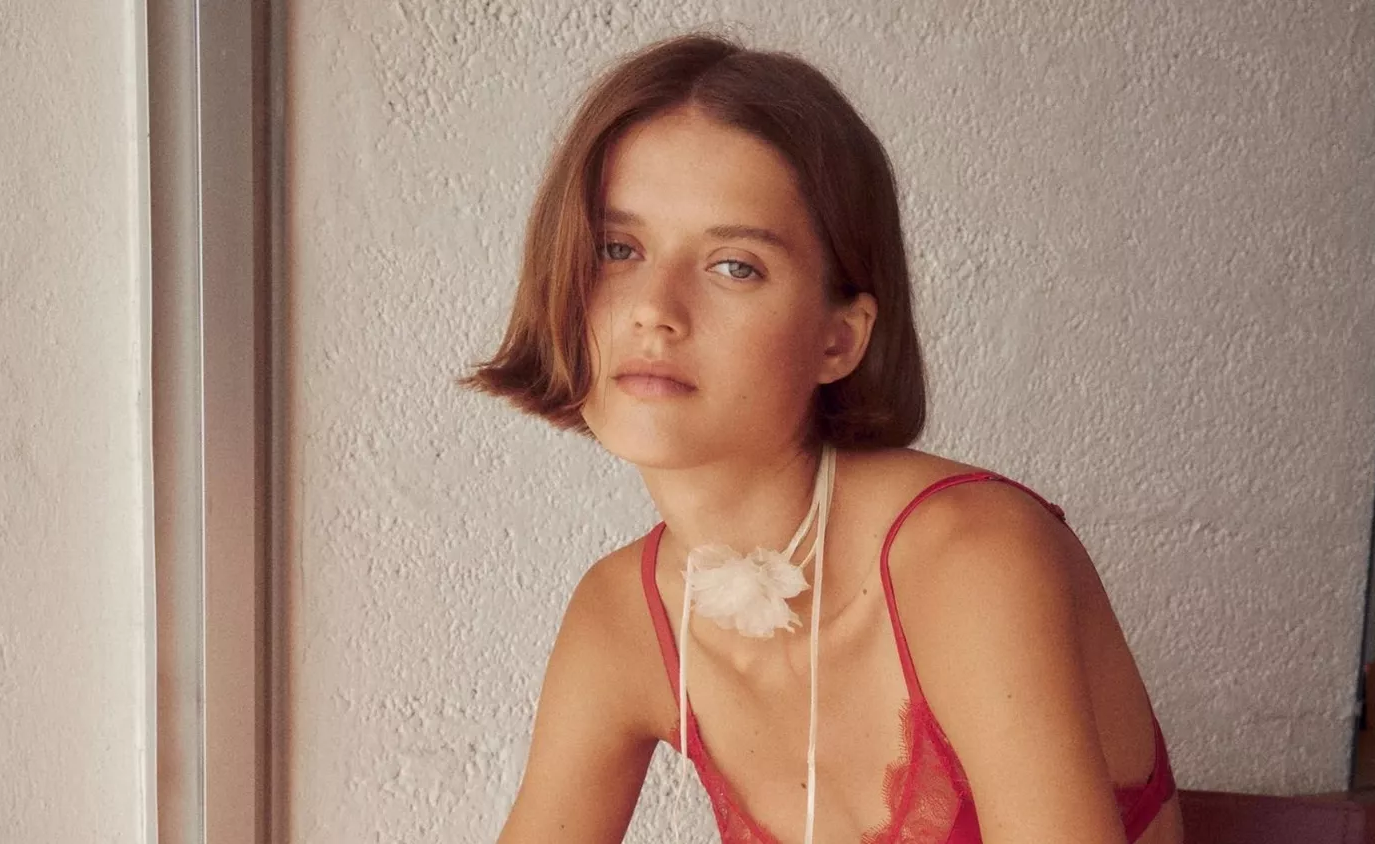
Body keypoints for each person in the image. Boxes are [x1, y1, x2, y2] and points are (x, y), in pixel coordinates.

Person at [461, 30, 1182, 844]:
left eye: (735, 265)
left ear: (838, 338)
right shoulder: (622, 617)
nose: (653, 307)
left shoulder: (971, 554)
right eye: (616, 249)